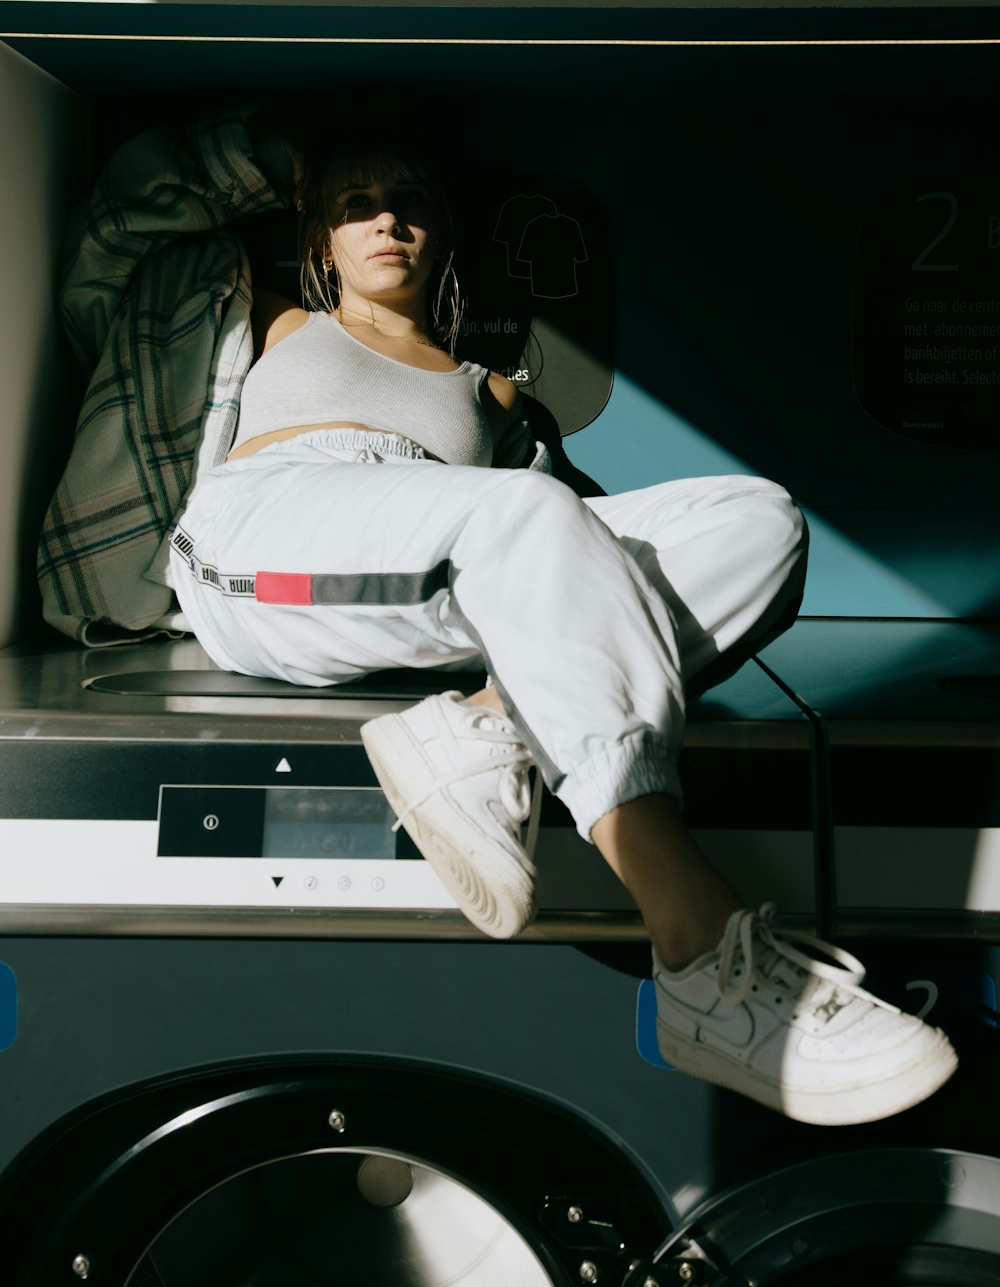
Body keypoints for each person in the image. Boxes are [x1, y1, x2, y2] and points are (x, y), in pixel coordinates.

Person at [167, 134, 957, 1128]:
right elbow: (131, 221)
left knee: (755, 520)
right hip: (273, 535)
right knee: (527, 514)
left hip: (441, 546)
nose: (386, 220)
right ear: (320, 243)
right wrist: (284, 156)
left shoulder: (489, 389)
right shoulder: (276, 317)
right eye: (355, 203)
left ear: (442, 234)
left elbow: (572, 560)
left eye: (408, 200)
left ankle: (492, 724)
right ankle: (702, 952)